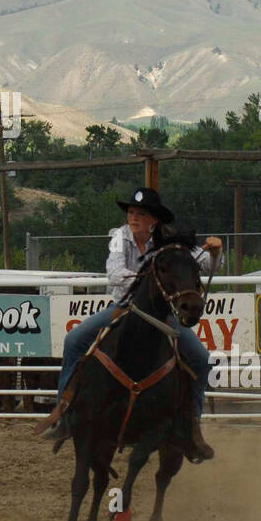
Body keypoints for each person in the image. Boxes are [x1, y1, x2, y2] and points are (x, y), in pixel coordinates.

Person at [41, 187, 221, 460]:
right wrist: (149, 276)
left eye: (141, 214)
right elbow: (114, 274)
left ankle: (191, 425)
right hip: (124, 308)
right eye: (131, 213)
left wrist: (217, 251)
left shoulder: (169, 241)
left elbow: (207, 265)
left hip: (161, 315)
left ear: (154, 221)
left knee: (202, 359)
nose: (133, 218)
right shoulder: (118, 237)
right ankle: (64, 414)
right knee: (74, 340)